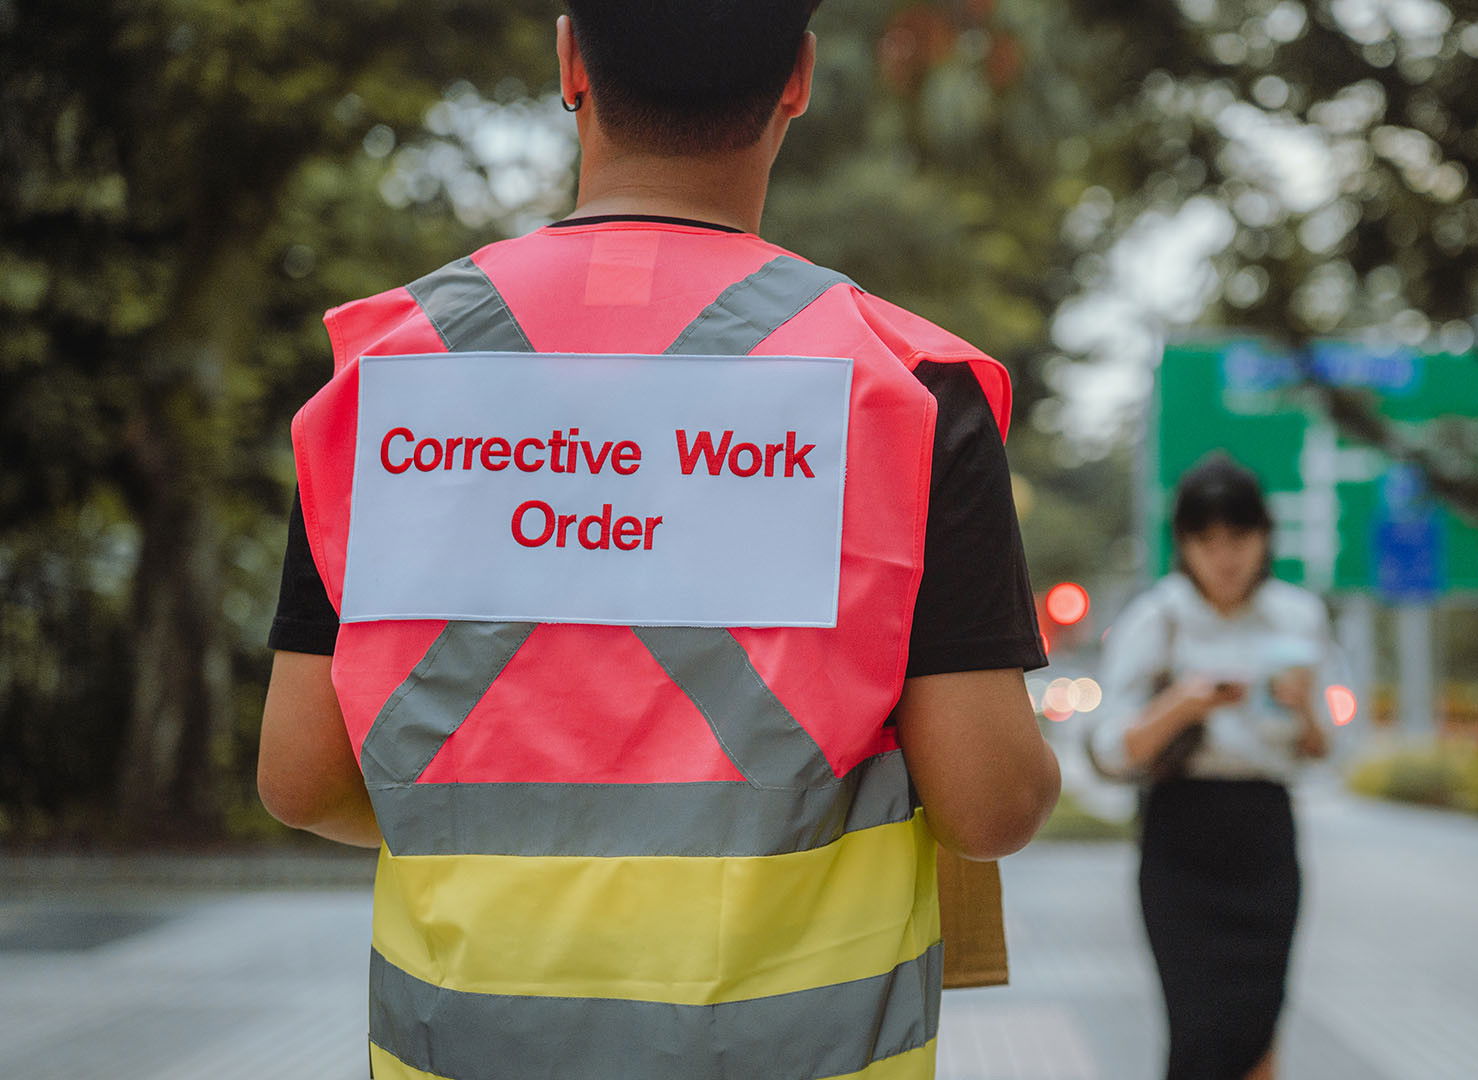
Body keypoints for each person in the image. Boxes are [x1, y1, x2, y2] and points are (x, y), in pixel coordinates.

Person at [255, 3, 1060, 1077]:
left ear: (570, 60)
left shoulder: (390, 372)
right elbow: (990, 805)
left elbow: (302, 778)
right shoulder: (905, 386)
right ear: (799, 77)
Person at [1089, 454, 1330, 1080]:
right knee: (1197, 1028)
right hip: (1181, 836)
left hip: (1265, 833)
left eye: (1239, 538)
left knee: (1257, 1025)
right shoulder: (1157, 617)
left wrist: (1306, 710)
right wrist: (1183, 704)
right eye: (1207, 541)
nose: (1225, 558)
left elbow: (1331, 750)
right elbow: (1109, 750)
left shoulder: (1298, 616)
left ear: (1265, 538)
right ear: (1185, 544)